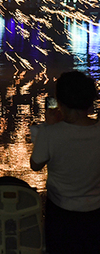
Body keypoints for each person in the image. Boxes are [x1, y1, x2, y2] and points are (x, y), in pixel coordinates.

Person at [30, 71, 100, 254]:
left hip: (61, 212)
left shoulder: (50, 133)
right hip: (95, 212)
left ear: (59, 102)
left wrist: (47, 127)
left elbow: (35, 164)